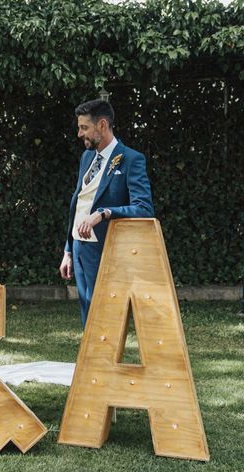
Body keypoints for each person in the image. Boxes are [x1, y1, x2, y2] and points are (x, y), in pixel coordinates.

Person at [59, 99, 154, 328]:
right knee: (88, 316)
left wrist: (105, 213)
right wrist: (68, 250)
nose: (80, 133)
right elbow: (80, 203)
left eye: (84, 127)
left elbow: (144, 208)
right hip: (80, 247)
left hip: (105, 250)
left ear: (102, 125)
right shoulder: (87, 158)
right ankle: (92, 363)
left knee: (104, 318)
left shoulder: (131, 159)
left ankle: (104, 363)